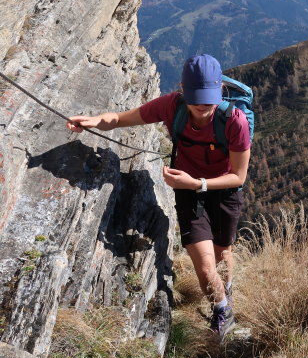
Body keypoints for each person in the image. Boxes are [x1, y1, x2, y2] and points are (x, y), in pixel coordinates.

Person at [66, 54, 251, 341]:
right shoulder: (170, 107)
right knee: (204, 265)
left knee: (222, 252)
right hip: (188, 191)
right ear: (181, 90)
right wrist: (94, 121)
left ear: (221, 90)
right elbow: (120, 119)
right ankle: (223, 311)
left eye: (210, 97)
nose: (203, 106)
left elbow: (238, 176)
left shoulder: (234, 121)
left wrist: (198, 182)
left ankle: (227, 290)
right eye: (196, 97)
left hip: (223, 190)